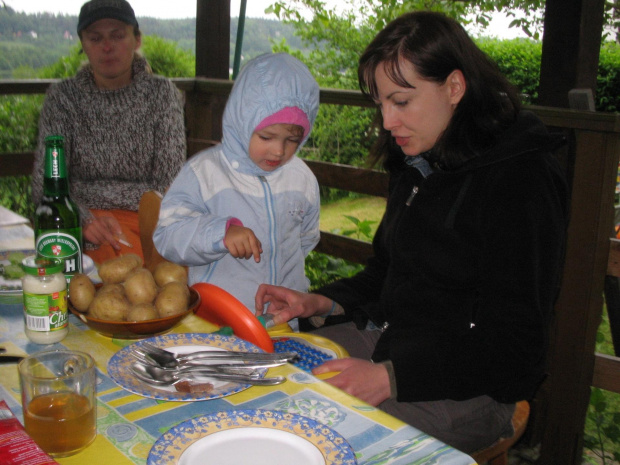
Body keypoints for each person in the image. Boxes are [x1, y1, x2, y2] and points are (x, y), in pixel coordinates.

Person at [255, 11, 569, 454]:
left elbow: (516, 347)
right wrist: (323, 301)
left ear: (455, 88)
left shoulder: (522, 179)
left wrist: (389, 376)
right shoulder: (422, 159)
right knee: (269, 371)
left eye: (401, 102)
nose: (387, 122)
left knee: (313, 425)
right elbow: (390, 268)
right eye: (381, 103)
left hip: (473, 389)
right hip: (395, 339)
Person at [153, 53, 320, 323]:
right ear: (242, 123)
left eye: (291, 140)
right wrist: (219, 232)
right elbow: (168, 235)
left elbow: (306, 239)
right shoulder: (205, 173)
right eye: (266, 137)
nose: (279, 150)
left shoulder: (302, 179)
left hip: (282, 323)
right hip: (217, 320)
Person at [32, 0, 186, 266]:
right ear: (83, 45)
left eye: (118, 36)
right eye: (95, 38)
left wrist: (116, 203)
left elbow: (170, 184)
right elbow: (42, 183)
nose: (107, 47)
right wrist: (84, 219)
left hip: (148, 221)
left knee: (158, 278)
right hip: (79, 224)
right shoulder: (63, 98)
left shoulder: (161, 95)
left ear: (136, 40)